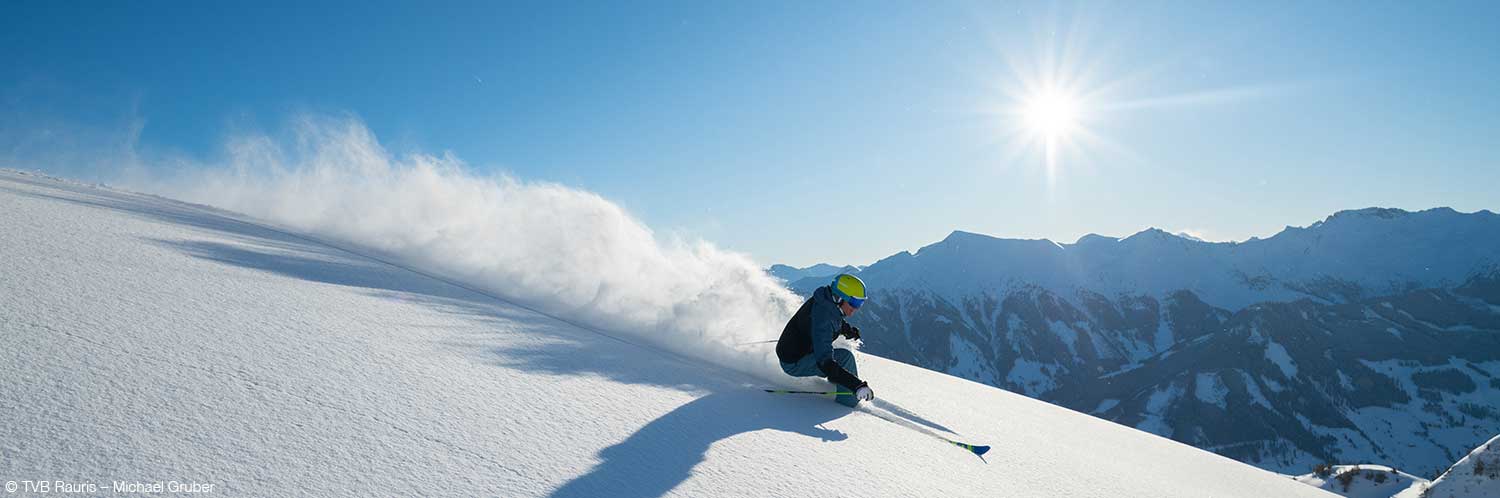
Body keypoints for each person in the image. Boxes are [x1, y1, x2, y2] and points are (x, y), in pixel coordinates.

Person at [776, 273, 872, 407]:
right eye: (854, 302)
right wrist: (857, 386)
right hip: (794, 363)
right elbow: (825, 362)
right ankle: (847, 403)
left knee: (841, 358)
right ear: (839, 297)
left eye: (860, 303)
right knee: (845, 358)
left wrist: (847, 329)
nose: (856, 308)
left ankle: (838, 381)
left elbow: (835, 319)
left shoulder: (826, 301)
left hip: (801, 351)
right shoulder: (822, 318)